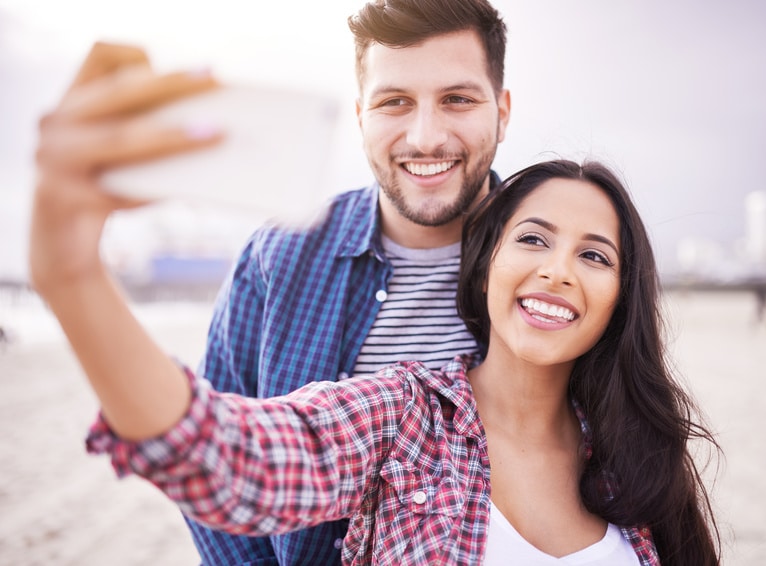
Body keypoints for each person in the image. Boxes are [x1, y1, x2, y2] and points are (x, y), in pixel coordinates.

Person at [29, 156, 722, 565]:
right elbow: (234, 456)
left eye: (594, 255)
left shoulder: (638, 451)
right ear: (485, 267)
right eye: (533, 240)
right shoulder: (401, 417)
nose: (558, 272)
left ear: (618, 297)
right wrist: (71, 277)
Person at [33, 0, 511, 563]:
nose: (426, 136)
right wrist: (70, 271)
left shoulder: (556, 269)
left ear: (502, 111)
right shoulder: (278, 256)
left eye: (457, 99)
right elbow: (216, 459)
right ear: (360, 116)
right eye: (394, 102)